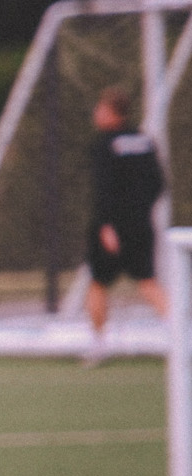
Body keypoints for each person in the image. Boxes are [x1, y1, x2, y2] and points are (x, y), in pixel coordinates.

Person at [84, 85, 167, 366]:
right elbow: (158, 184)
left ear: (110, 112)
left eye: (100, 108)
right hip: (142, 224)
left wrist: (108, 225)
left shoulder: (104, 144)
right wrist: (139, 211)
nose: (96, 113)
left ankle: (98, 345)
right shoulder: (145, 140)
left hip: (111, 228)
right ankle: (181, 341)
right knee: (148, 281)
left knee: (97, 284)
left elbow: (103, 189)